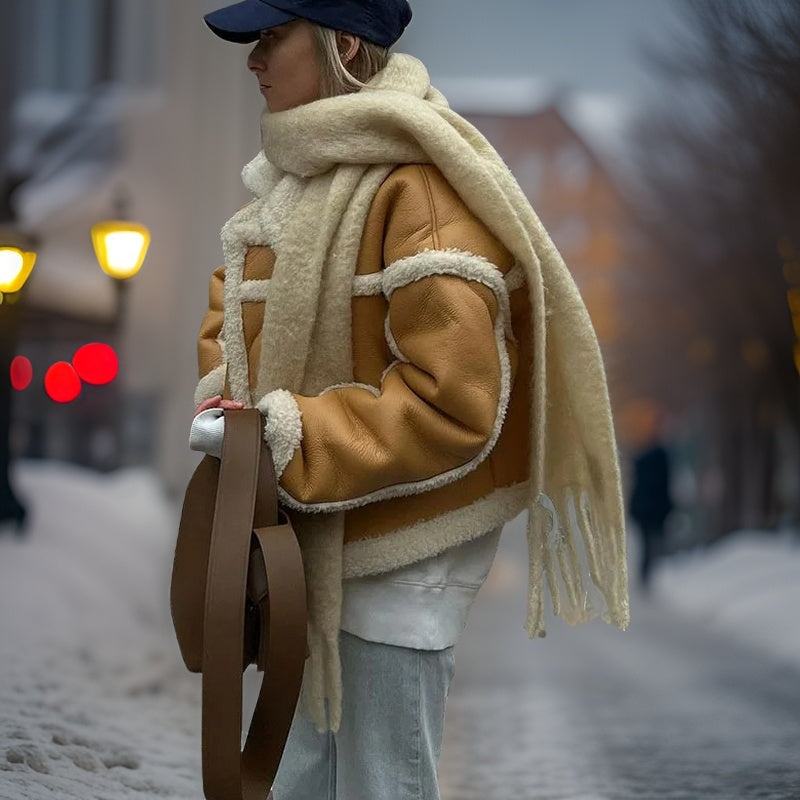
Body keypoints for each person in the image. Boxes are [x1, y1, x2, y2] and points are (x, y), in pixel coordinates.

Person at [189, 1, 629, 797]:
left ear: (343, 42)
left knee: (380, 784)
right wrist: (228, 408)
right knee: (294, 784)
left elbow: (453, 402)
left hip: (403, 557)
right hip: (305, 550)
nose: (253, 59)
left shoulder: (420, 186)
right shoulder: (282, 192)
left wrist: (285, 433)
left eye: (272, 36)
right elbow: (231, 331)